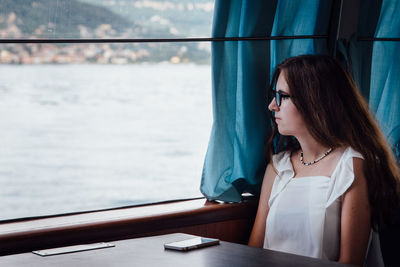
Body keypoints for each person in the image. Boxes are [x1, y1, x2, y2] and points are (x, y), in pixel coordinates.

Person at [248, 55, 400, 266]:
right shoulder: (279, 165)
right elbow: (254, 251)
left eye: (282, 96)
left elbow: (350, 262)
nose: (272, 105)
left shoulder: (351, 165)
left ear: (314, 100)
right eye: (274, 96)